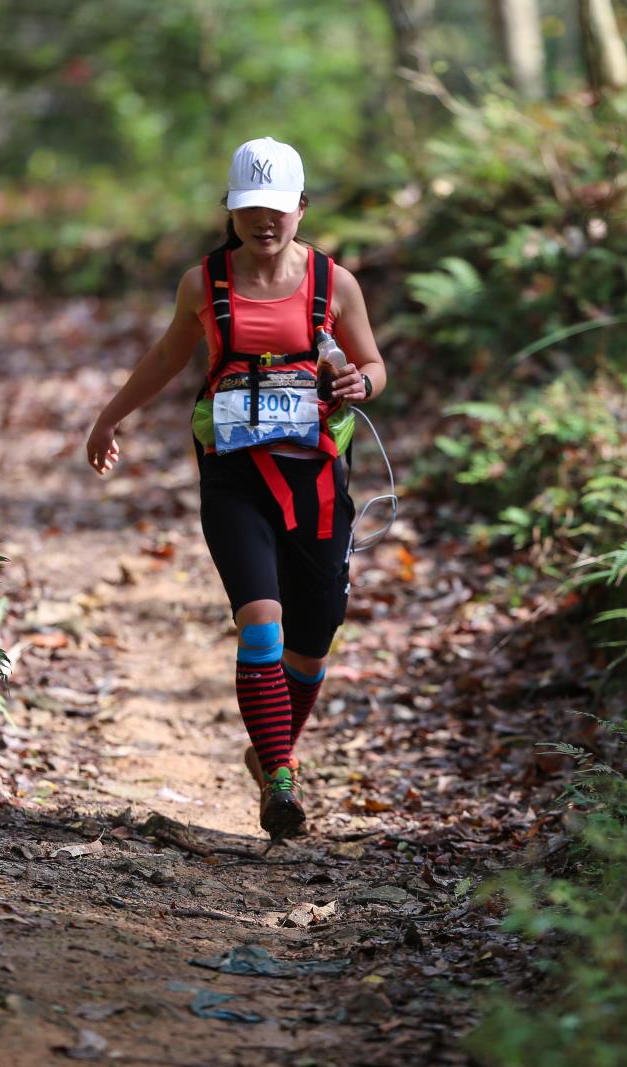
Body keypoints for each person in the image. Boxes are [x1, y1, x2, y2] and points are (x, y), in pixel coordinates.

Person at [85, 136, 387, 840]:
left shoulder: (334, 284)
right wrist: (110, 416)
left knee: (311, 645)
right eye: (250, 207)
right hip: (234, 477)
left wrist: (360, 383)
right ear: (231, 209)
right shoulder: (205, 283)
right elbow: (168, 355)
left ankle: (269, 748)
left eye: (277, 207)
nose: (264, 220)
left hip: (316, 480)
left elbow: (373, 363)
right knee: (260, 622)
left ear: (301, 207)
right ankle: (280, 779)